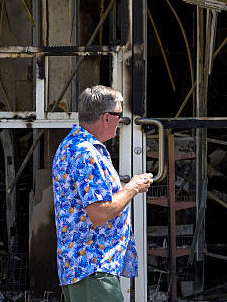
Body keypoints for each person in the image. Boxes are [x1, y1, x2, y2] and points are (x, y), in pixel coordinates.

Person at [52, 85, 154, 302]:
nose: (120, 121)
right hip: (94, 268)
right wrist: (133, 187)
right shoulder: (87, 153)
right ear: (107, 118)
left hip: (82, 268)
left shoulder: (70, 146)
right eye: (119, 115)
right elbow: (100, 213)